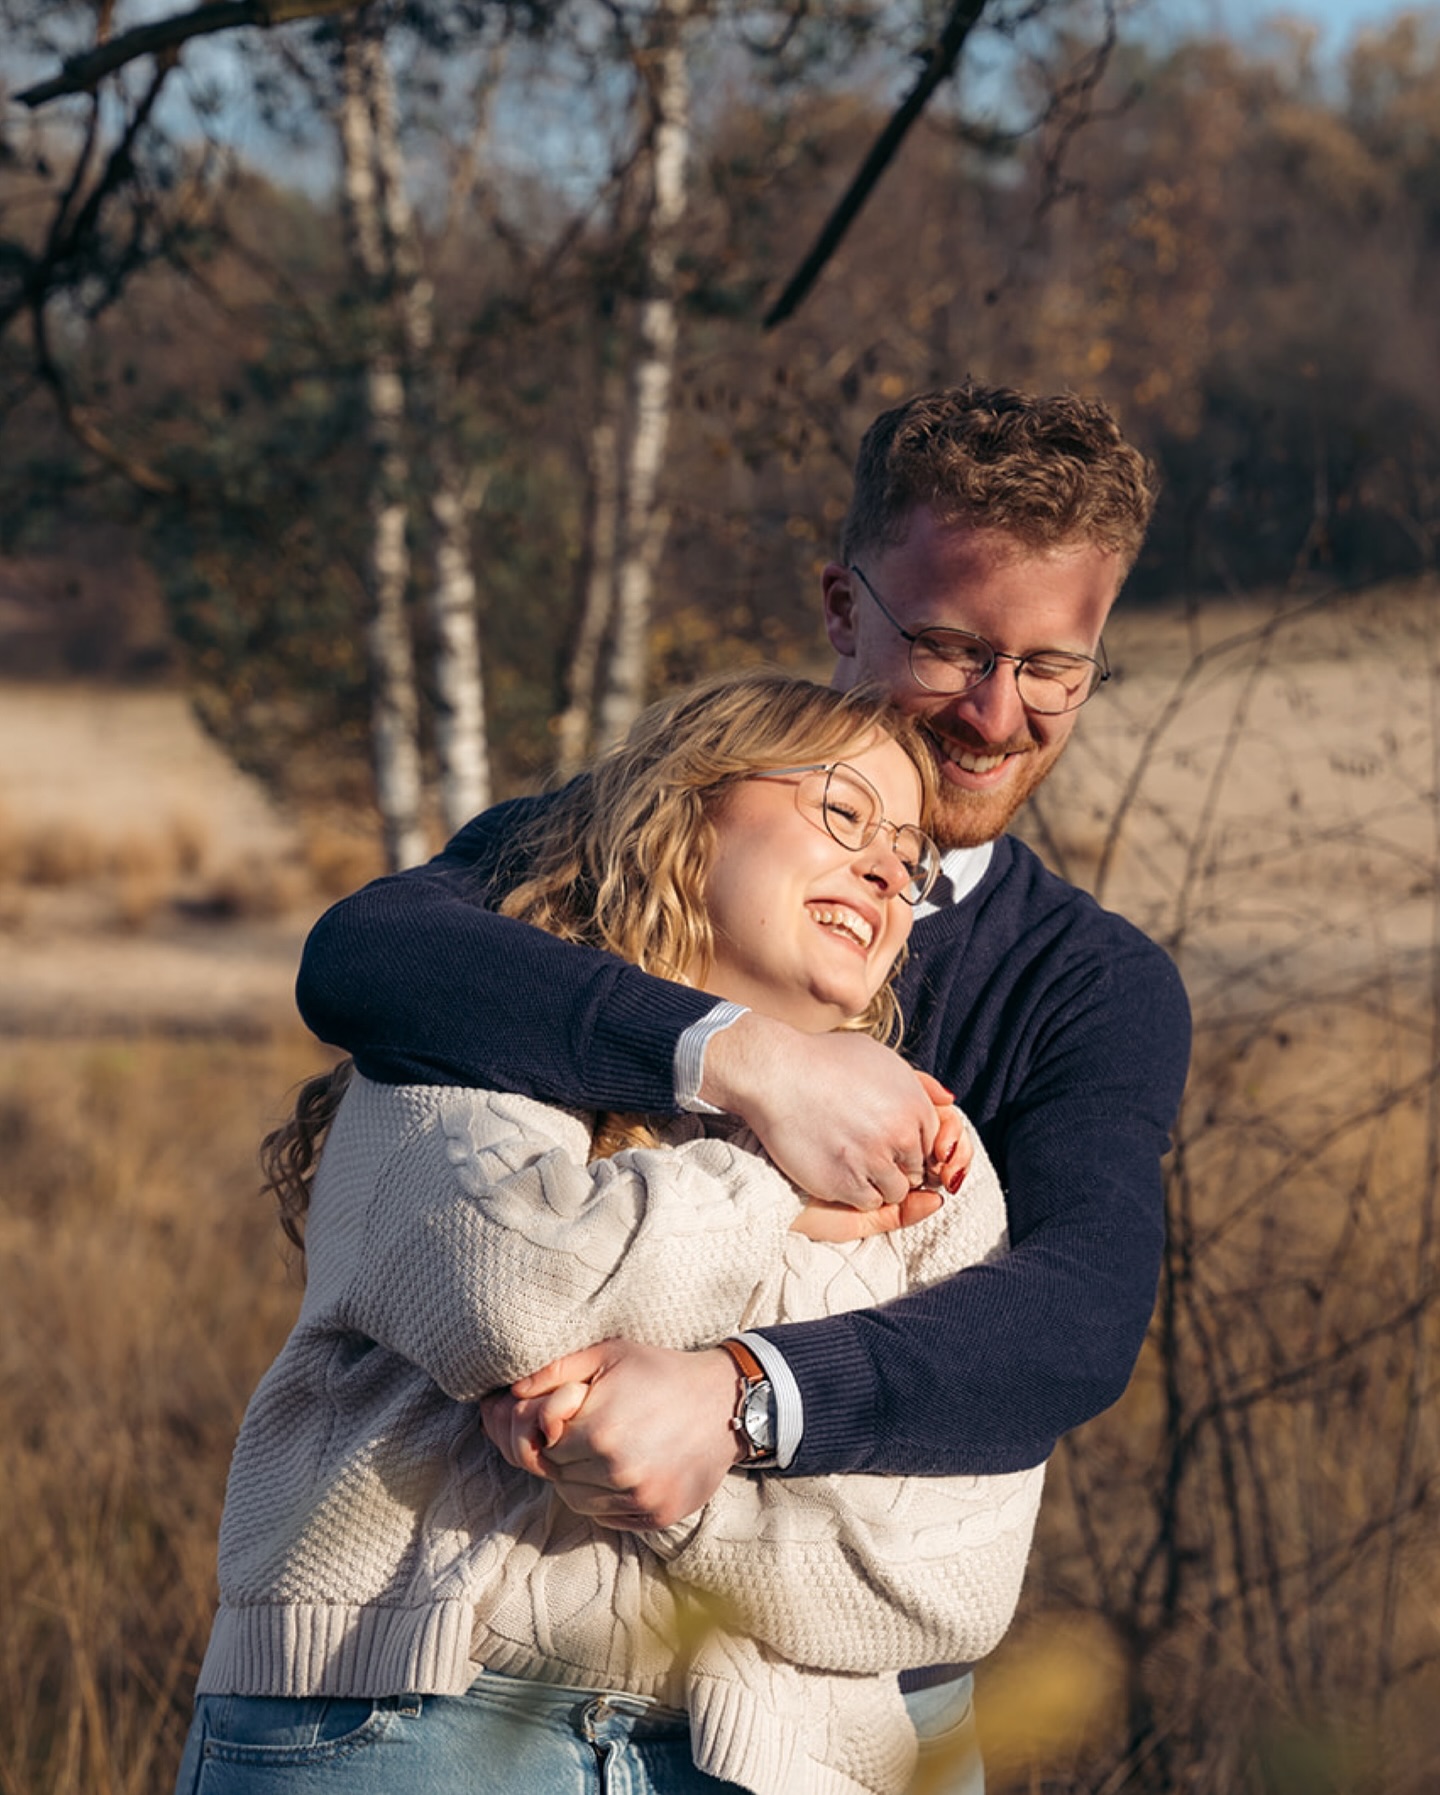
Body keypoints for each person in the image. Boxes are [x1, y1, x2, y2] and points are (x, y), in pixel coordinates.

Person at [295, 381, 1193, 1782]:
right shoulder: (621, 834)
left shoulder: (1091, 981)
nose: (995, 713)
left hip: (853, 1696)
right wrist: (743, 1058)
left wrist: (743, 1392)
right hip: (491, 1674)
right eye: (951, 645)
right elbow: (367, 955)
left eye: (1054, 666)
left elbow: (1075, 1314)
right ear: (843, 605)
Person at [177, 674, 1044, 1795]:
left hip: (784, 1762)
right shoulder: (466, 1033)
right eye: (843, 812)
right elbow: (523, 1294)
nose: (888, 867)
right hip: (419, 1714)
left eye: (911, 854)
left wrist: (695, 1456)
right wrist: (766, 1180)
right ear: (687, 811)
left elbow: (956, 1580)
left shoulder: (928, 1152)